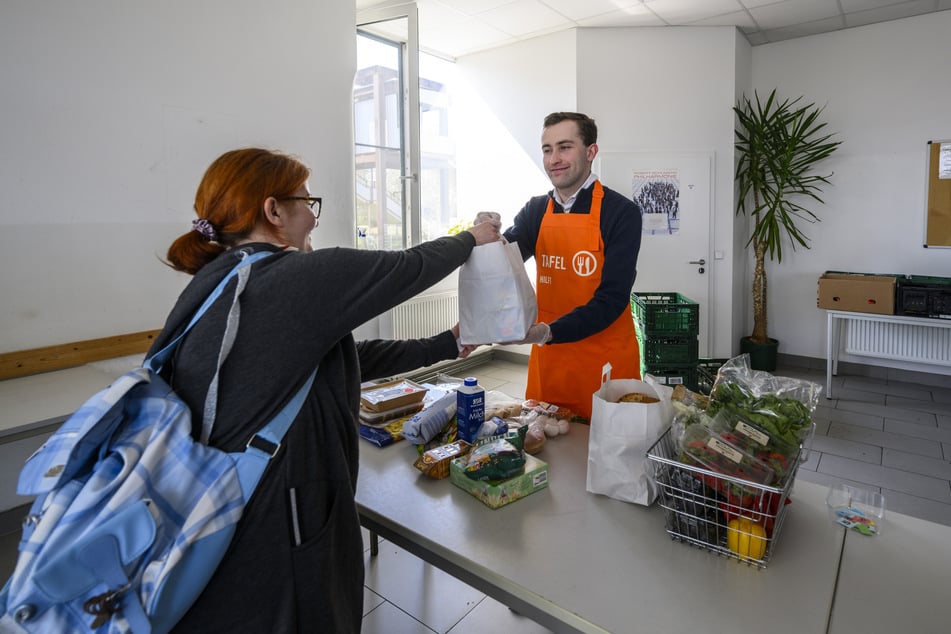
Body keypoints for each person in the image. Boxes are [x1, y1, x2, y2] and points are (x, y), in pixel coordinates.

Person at [149, 147, 501, 633]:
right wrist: (472, 239)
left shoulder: (219, 281)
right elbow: (405, 268)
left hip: (218, 507)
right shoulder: (286, 277)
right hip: (277, 520)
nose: (312, 219)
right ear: (274, 211)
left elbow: (338, 357)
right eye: (307, 204)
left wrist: (447, 342)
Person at [503, 112, 642, 419]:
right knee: (546, 452)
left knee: (605, 452)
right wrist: (485, 240)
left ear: (591, 152)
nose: (554, 158)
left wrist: (546, 332)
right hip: (550, 361)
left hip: (604, 360)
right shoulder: (535, 210)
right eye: (547, 149)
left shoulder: (621, 213)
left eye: (565, 147)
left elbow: (612, 298)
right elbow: (504, 262)